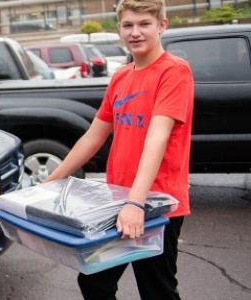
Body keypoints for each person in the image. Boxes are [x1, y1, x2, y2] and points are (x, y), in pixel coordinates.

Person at [45, 1, 194, 299]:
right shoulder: (121, 76)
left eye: (144, 24)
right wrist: (50, 181)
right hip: (117, 200)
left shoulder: (175, 71)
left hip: (156, 204)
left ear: (161, 26)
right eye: (128, 25)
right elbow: (93, 137)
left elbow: (157, 137)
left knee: (157, 291)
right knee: (94, 281)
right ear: (119, 29)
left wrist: (136, 204)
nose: (135, 32)